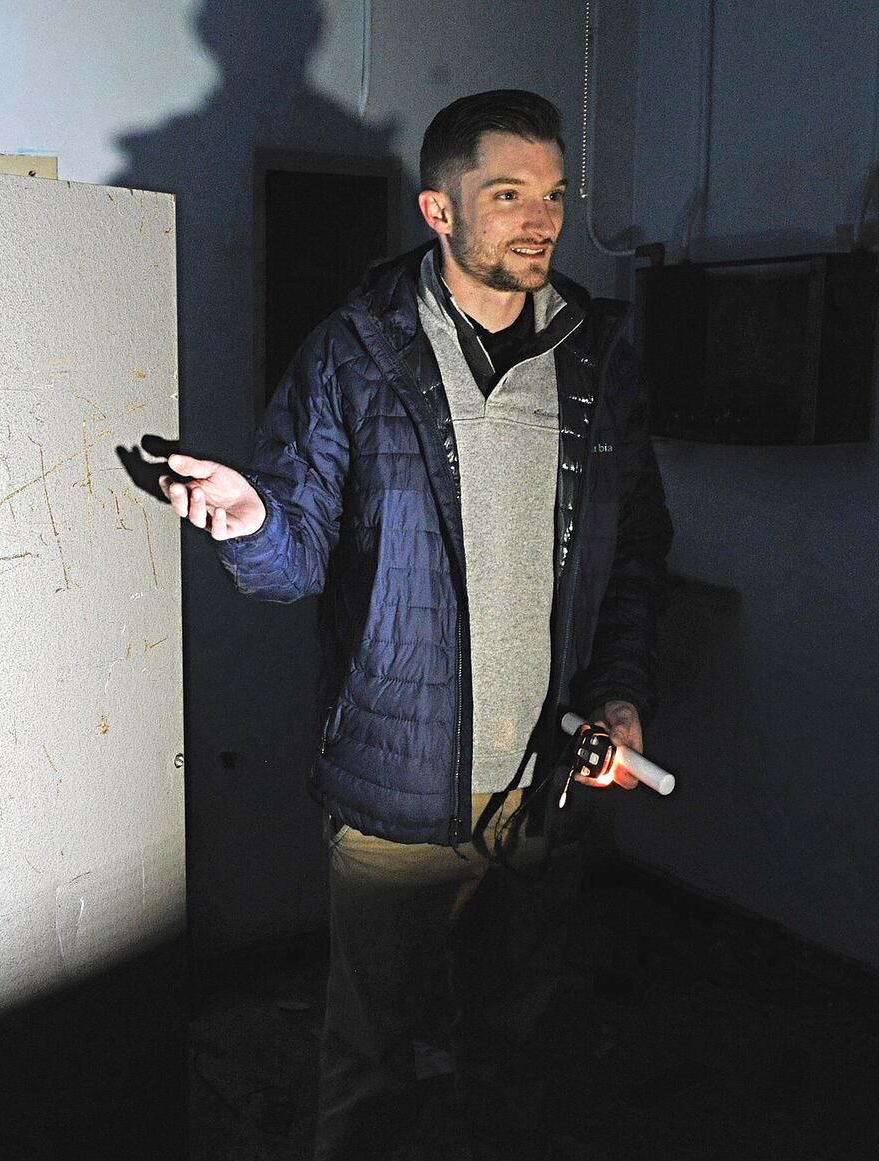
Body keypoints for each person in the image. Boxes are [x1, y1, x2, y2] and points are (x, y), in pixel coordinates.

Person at [160, 90, 672, 1160]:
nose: (539, 219)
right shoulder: (352, 354)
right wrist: (253, 520)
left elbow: (634, 549)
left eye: (553, 196)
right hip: (394, 787)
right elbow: (290, 562)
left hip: (547, 776)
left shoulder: (597, 355)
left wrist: (617, 692)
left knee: (518, 1044)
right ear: (438, 211)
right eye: (507, 195)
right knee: (371, 1057)